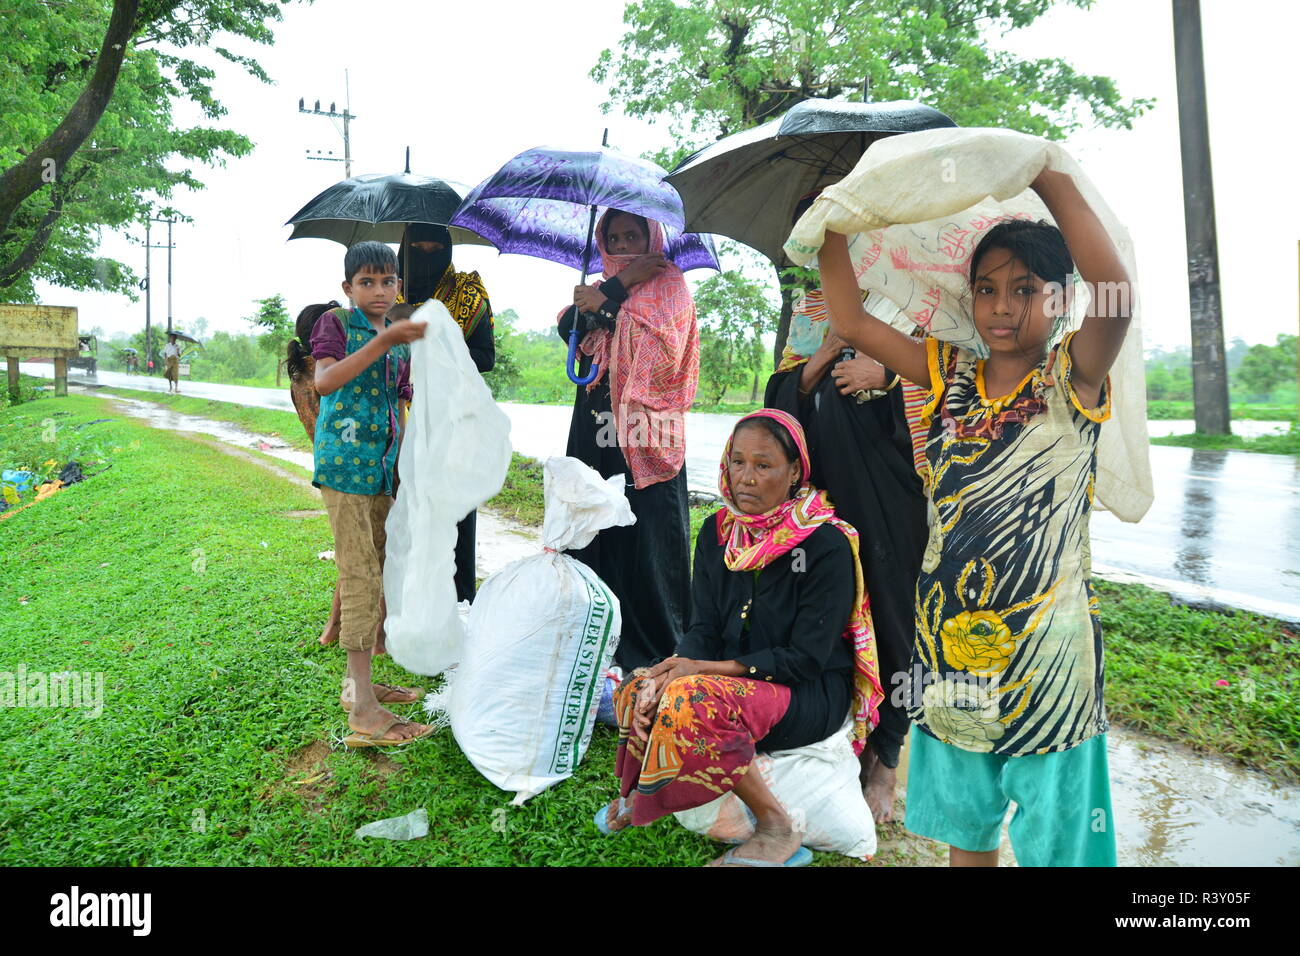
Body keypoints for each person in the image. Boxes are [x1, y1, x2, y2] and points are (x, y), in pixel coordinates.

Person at [817, 165, 1130, 867]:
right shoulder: (946, 372)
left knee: (1064, 844)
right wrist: (833, 216)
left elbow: (1118, 293)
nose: (1002, 306)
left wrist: (1049, 178)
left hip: (1051, 665)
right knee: (970, 830)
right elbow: (851, 321)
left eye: (1026, 290)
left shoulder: (1073, 378)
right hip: (952, 652)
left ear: (1063, 299)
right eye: (987, 288)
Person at [594, 409, 885, 866]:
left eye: (764, 465)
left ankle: (776, 826)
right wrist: (673, 667)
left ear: (794, 473)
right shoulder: (718, 531)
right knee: (642, 685)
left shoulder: (824, 544)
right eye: (738, 462)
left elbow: (805, 659)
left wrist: (701, 672)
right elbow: (704, 627)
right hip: (736, 683)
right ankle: (640, 794)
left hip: (806, 693)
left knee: (695, 700)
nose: (746, 478)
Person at [764, 191, 929, 823]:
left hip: (892, 498)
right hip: (819, 495)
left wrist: (885, 377)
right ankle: (833, 737)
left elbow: (951, 386)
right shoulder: (811, 308)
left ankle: (884, 759)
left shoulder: (916, 302)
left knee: (894, 618)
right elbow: (782, 401)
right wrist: (824, 357)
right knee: (824, 615)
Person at [556, 208, 699, 670]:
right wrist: (613, 289)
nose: (621, 246)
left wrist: (608, 305)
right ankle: (592, 635)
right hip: (594, 429)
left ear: (650, 236)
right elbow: (568, 331)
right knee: (594, 524)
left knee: (644, 532)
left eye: (631, 235)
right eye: (613, 238)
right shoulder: (595, 288)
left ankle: (652, 645)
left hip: (645, 433)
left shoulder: (669, 285)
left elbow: (664, 354)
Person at [311, 240, 431, 747]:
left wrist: (407, 465)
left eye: (387, 281)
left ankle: (360, 682)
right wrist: (383, 342)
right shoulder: (337, 324)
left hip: (383, 472)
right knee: (359, 576)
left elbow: (399, 407)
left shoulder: (398, 341)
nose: (378, 291)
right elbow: (325, 382)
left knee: (380, 571)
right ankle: (363, 710)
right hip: (344, 468)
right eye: (367, 282)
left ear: (398, 285)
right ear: (348, 288)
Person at [398, 223, 495, 603]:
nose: (425, 256)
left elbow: (486, 358)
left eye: (434, 248)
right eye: (416, 248)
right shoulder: (388, 291)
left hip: (453, 419)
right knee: (405, 510)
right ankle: (406, 599)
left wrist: (437, 341)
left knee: (453, 511)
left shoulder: (468, 295)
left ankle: (457, 601)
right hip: (399, 420)